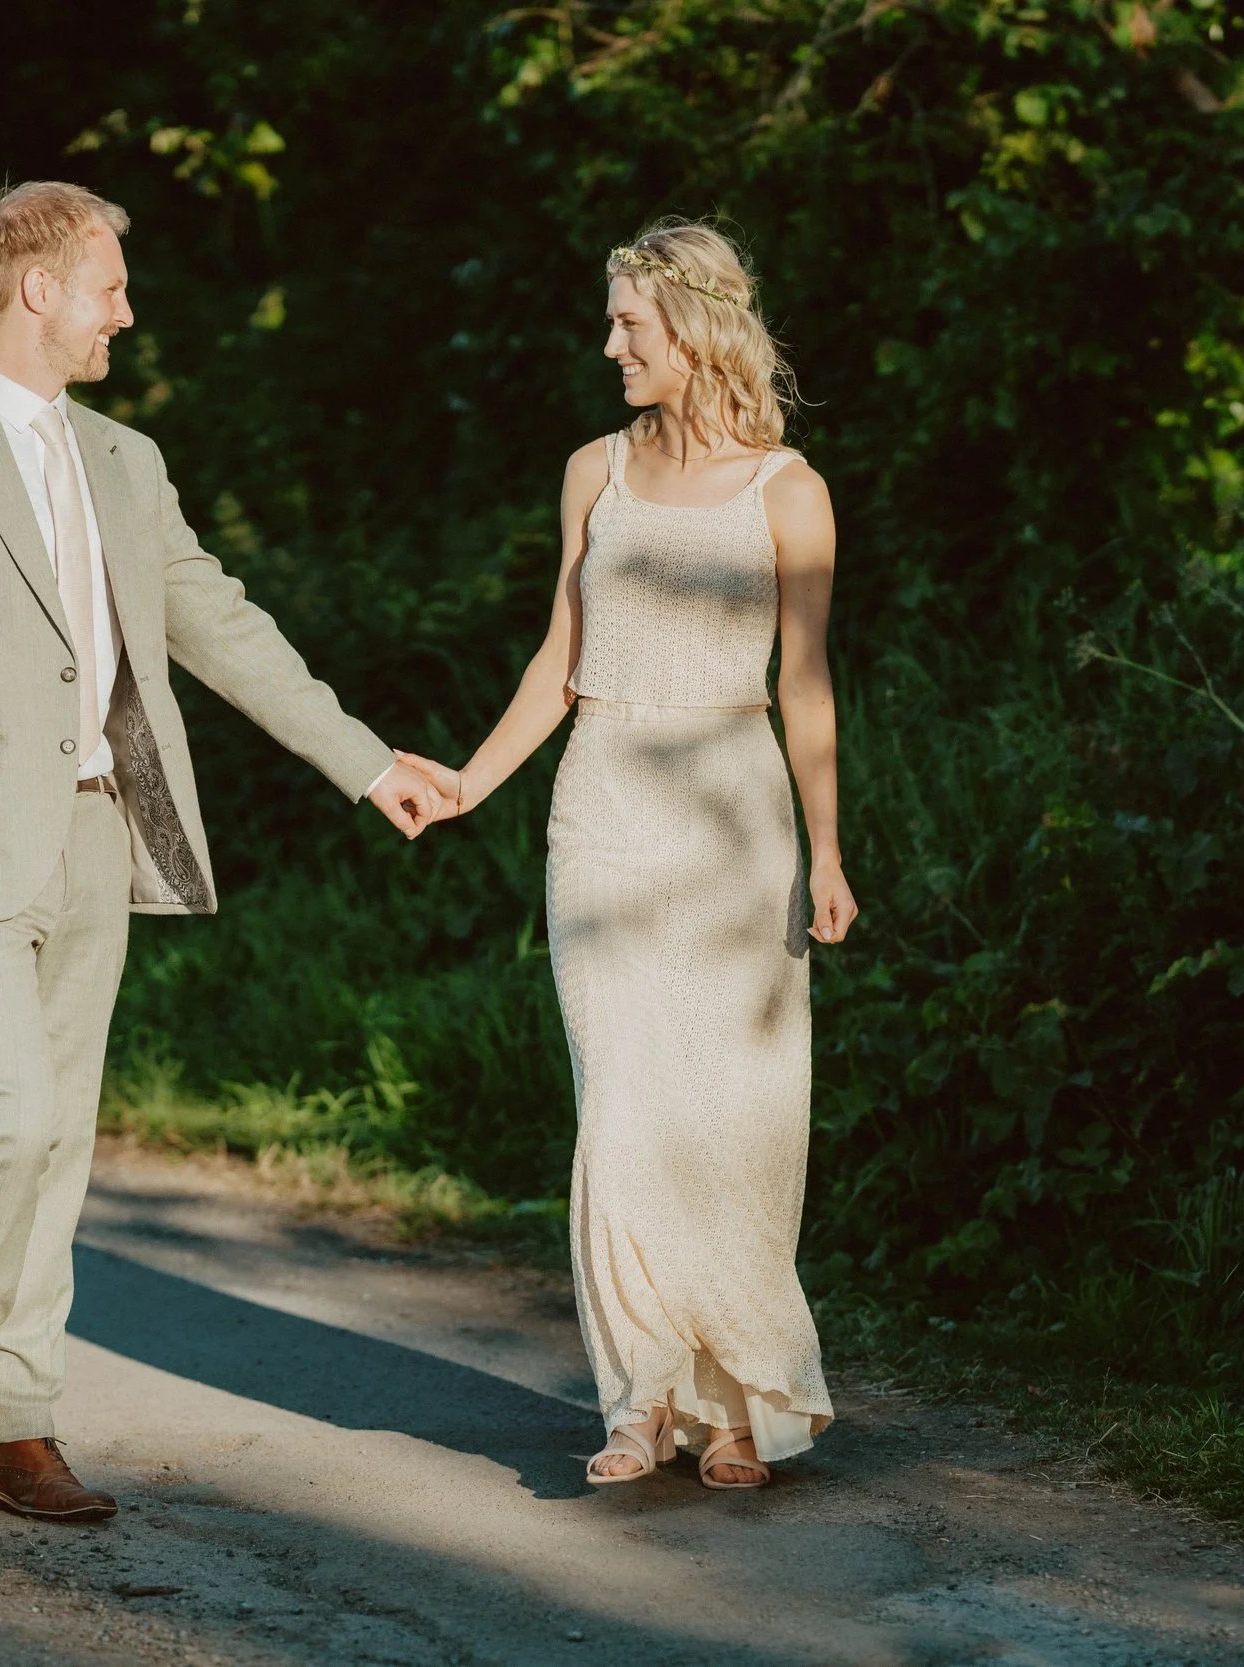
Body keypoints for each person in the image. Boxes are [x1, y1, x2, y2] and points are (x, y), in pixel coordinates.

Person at [0, 180, 445, 1523]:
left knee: (63, 1132)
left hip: (99, 833)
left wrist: (364, 759)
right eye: (109, 288)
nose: (124, 315)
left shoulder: (131, 462)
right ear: (41, 289)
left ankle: (23, 1421)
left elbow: (224, 625)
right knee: (7, 1108)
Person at [399, 220, 853, 1490]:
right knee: (623, 1106)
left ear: (695, 328)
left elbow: (806, 684)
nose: (608, 345)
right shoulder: (592, 469)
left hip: (733, 815)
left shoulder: (789, 491)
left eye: (628, 326)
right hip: (601, 803)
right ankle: (639, 1398)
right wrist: (472, 786)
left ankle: (737, 1402)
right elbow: (561, 656)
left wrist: (826, 848)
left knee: (735, 1111)